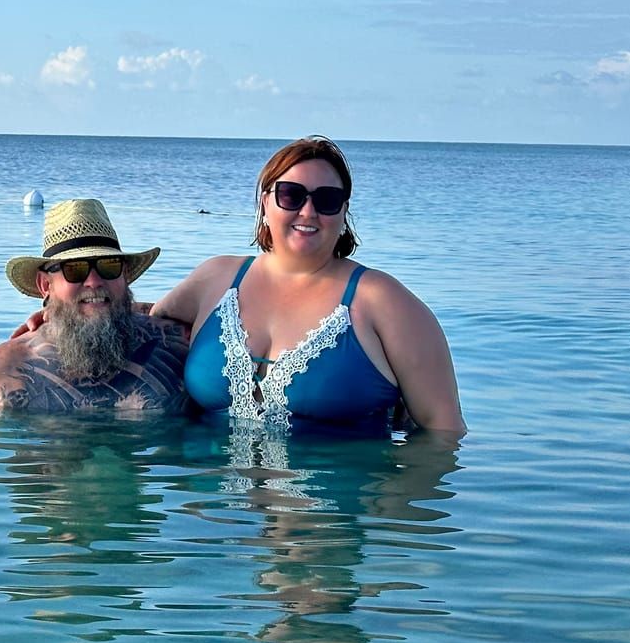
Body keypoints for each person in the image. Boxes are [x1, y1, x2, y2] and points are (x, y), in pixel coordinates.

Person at [152, 135, 465, 434]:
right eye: (291, 194)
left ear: (344, 212)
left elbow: (444, 433)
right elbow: (155, 316)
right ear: (265, 203)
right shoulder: (215, 279)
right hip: (208, 488)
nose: (307, 211)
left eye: (327, 200)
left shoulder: (384, 302)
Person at [0, 198, 191, 413]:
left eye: (109, 266)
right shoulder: (1, 370)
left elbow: (225, 290)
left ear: (124, 275)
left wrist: (151, 309)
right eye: (75, 269)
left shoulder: (177, 341)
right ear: (45, 285)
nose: (94, 282)